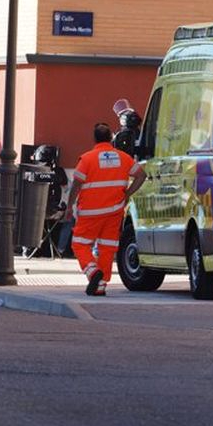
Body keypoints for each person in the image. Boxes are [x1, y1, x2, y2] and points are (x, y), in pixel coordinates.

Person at [65, 123, 147, 296]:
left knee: (79, 243)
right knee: (107, 247)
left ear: (94, 138)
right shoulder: (123, 158)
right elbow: (141, 175)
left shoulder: (87, 159)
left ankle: (93, 272)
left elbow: (77, 184)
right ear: (111, 138)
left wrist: (69, 206)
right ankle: (100, 286)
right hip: (114, 211)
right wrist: (127, 194)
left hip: (90, 212)